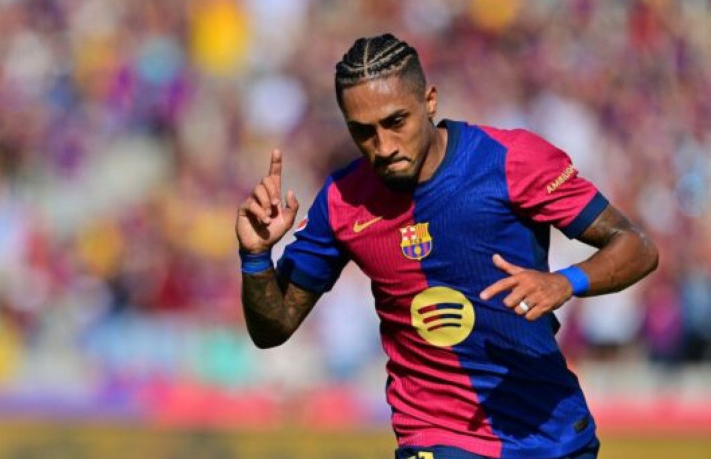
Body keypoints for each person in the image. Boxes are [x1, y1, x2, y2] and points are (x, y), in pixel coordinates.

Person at [235, 33, 658, 459]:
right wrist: (255, 257)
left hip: (550, 430)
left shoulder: (511, 160)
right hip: (436, 433)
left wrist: (564, 282)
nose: (383, 147)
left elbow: (636, 246)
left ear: (430, 101)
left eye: (395, 122)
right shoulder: (342, 200)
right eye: (362, 132)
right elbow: (273, 328)